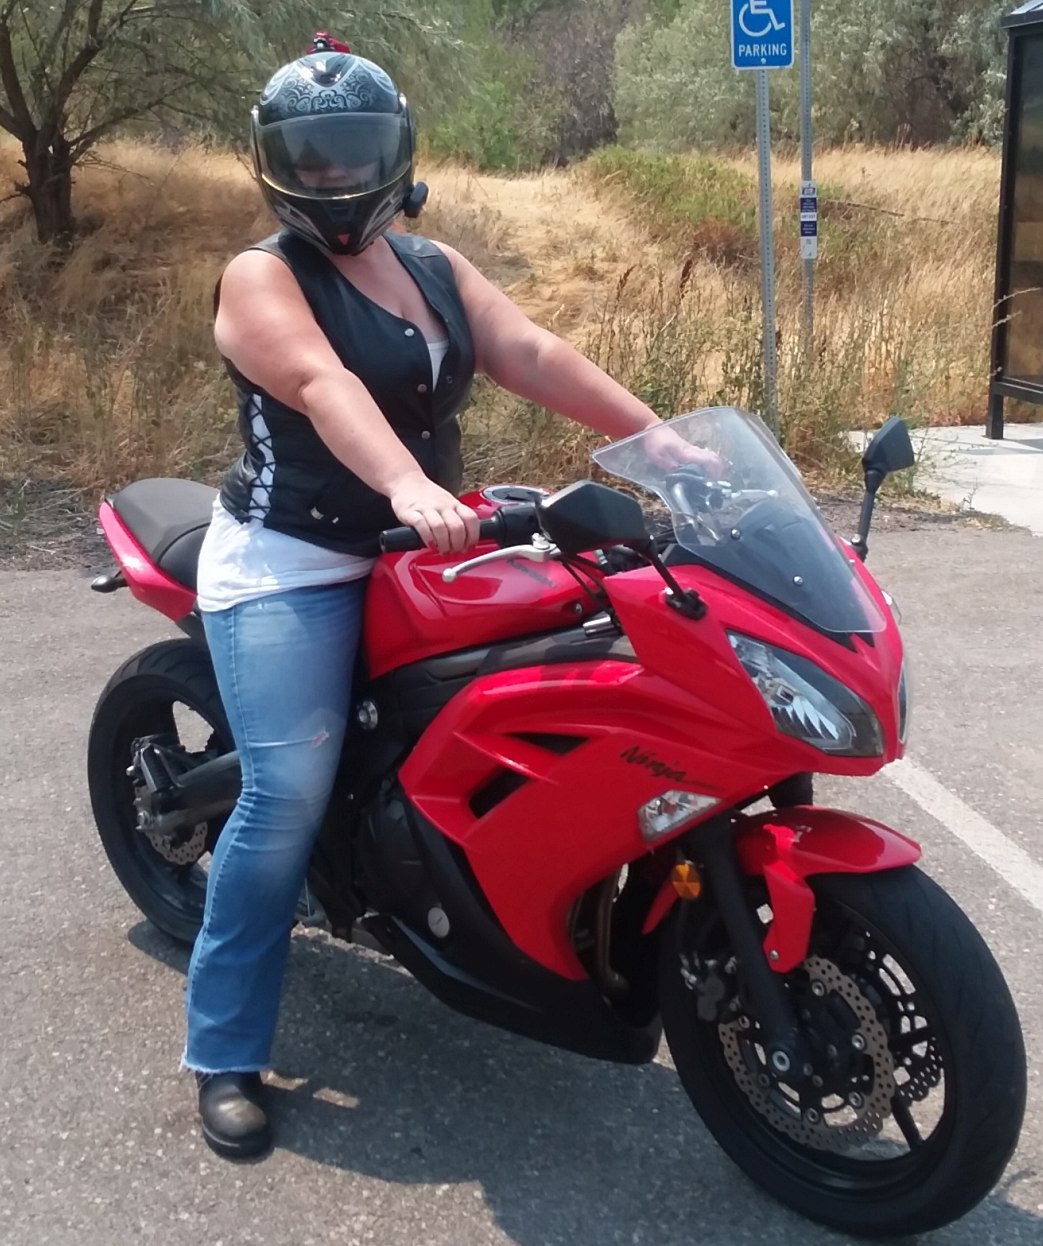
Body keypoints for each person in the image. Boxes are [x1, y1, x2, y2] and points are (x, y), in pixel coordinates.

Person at [186, 45, 713, 1160]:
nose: (333, 176)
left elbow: (527, 348)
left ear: (397, 154)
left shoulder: (428, 263)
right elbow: (323, 385)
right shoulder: (259, 276)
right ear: (272, 165)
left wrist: (655, 438)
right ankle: (223, 1046)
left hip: (423, 546)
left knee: (561, 677)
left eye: (354, 152)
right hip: (294, 556)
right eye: (308, 156)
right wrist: (409, 484)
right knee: (284, 788)